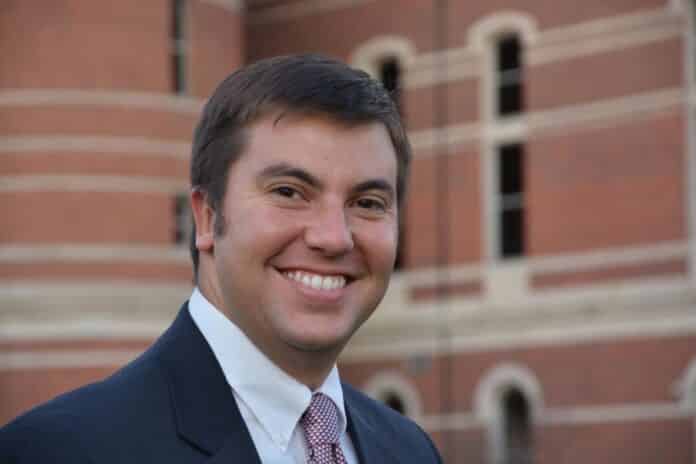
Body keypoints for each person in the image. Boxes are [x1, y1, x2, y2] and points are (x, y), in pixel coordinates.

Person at [0, 54, 443, 464]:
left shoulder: (410, 450)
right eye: (289, 192)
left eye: (367, 203)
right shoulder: (56, 451)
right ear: (207, 218)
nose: (334, 238)